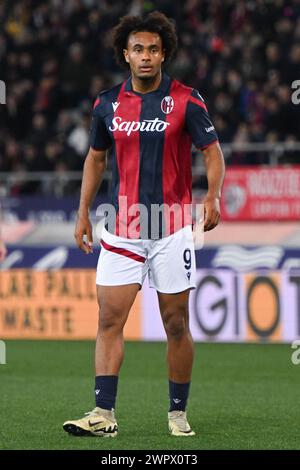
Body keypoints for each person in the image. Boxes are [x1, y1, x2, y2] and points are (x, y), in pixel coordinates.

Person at [63, 11, 225, 438]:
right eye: (138, 49)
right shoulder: (106, 104)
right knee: (109, 320)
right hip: (122, 229)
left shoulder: (187, 100)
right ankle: (103, 414)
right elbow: (95, 159)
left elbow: (212, 151)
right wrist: (83, 211)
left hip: (172, 229)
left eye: (154, 49)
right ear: (126, 55)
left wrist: (214, 195)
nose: (147, 56)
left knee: (176, 323)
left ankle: (176, 413)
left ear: (164, 52)